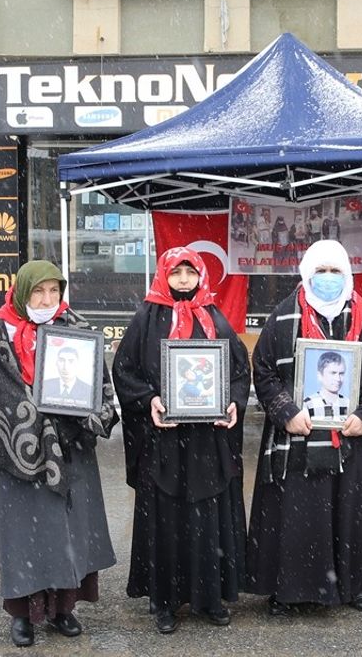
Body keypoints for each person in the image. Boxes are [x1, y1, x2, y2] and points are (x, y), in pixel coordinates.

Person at [0, 260, 118, 648]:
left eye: (54, 291)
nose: (47, 300)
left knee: (67, 531)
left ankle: (63, 608)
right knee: (22, 536)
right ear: (22, 292)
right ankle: (23, 614)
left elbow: (99, 390)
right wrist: (30, 415)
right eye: (38, 291)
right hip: (15, 455)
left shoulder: (76, 329)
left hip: (70, 449)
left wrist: (76, 412)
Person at [247, 239, 362, 616]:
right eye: (321, 271)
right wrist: (286, 411)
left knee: (347, 514)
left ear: (347, 274)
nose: (328, 278)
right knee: (298, 518)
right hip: (298, 436)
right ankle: (289, 590)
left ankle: (350, 585)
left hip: (348, 437)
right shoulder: (283, 315)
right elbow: (264, 371)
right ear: (306, 274)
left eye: (335, 271)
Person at [113, 247, 250, 634]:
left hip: (207, 442)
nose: (185, 280)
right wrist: (150, 400)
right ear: (164, 275)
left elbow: (239, 371)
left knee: (207, 518)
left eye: (191, 272)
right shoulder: (146, 317)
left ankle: (209, 598)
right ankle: (165, 601)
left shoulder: (215, 316)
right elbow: (124, 369)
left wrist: (233, 401)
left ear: (201, 276)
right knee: (167, 520)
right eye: (177, 273)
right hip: (165, 442)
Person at [303, 351, 350, 429]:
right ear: (320, 375)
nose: (338, 379)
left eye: (341, 373)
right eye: (333, 373)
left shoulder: (349, 404)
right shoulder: (307, 404)